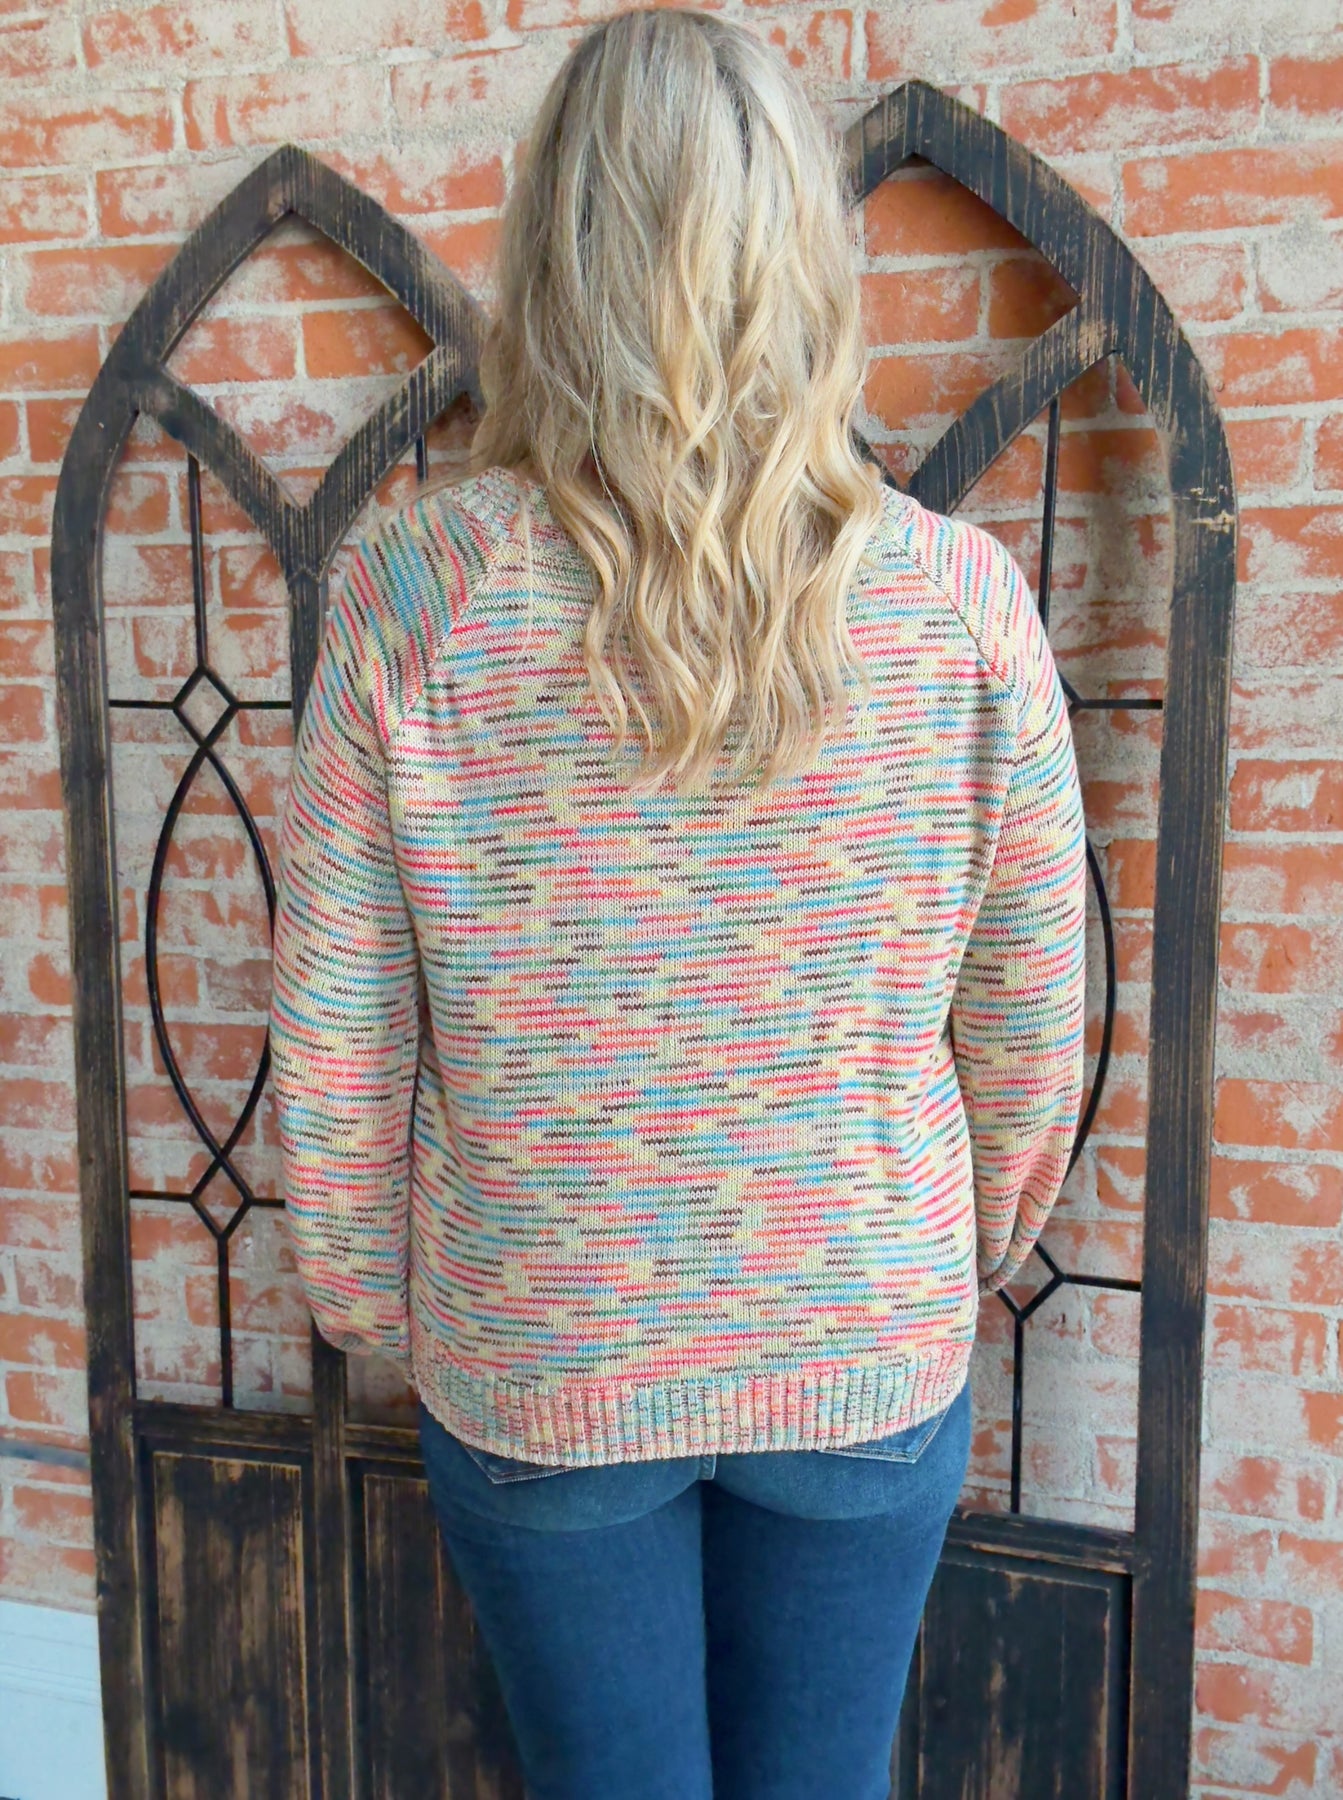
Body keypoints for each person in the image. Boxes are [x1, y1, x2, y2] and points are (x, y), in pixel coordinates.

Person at [267, 8, 1088, 1797]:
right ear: (807, 261)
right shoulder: (960, 608)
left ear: (549, 265)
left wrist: (382, 1304)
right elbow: (1032, 1038)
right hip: (859, 1332)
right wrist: (927, 1260)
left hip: (542, 1340)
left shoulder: (417, 591)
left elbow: (335, 1040)